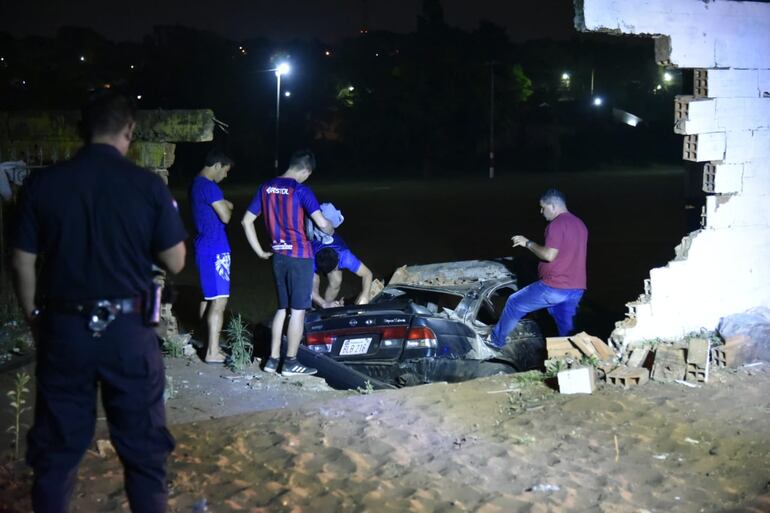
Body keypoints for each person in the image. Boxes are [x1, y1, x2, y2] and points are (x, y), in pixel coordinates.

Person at [11, 90, 187, 513]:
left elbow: (20, 261)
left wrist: (34, 316)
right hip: (129, 332)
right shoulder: (146, 185)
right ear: (129, 129)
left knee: (56, 450)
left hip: (65, 329)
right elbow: (176, 260)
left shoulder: (43, 184)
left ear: (81, 130)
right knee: (144, 449)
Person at [241, 149, 333, 375]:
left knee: (282, 308)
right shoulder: (301, 190)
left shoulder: (266, 187)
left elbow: (246, 221)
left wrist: (259, 252)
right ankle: (290, 362)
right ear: (306, 171)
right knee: (298, 310)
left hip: (278, 256)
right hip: (299, 256)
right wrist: (330, 228)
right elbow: (322, 224)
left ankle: (272, 360)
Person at [490, 188, 588, 347]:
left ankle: (495, 342)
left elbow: (548, 255)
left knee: (514, 302)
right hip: (575, 288)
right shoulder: (579, 224)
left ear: (553, 206)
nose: (541, 212)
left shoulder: (557, 224)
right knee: (568, 334)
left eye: (543, 207)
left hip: (554, 286)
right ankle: (573, 357)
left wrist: (527, 243)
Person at [190, 149, 234, 363]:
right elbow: (226, 216)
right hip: (215, 249)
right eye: (225, 171)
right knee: (219, 301)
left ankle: (208, 343)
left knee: (207, 298)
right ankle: (212, 353)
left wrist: (225, 203)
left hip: (203, 247)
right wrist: (228, 205)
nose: (225, 175)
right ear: (217, 165)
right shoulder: (209, 186)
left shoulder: (196, 184)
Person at [311, 235, 373, 308]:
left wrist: (365, 294)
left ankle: (326, 309)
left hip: (333, 248)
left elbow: (367, 274)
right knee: (313, 283)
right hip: (311, 252)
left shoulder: (346, 256)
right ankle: (321, 305)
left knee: (336, 281)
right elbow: (308, 290)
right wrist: (323, 304)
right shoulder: (308, 261)